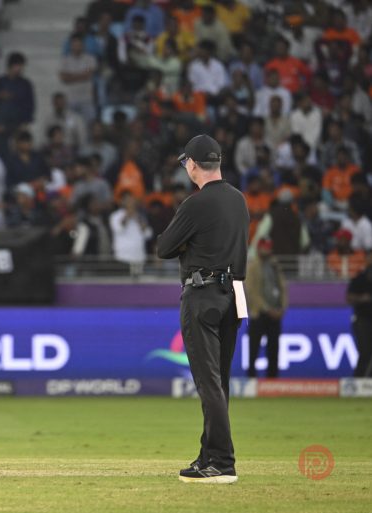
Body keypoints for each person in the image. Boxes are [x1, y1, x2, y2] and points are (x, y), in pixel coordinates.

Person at [156, 134, 249, 484]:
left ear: (193, 164)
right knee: (220, 382)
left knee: (208, 383)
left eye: (186, 163)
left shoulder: (195, 204)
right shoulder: (238, 200)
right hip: (233, 294)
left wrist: (187, 246)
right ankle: (208, 455)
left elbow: (164, 247)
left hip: (202, 294)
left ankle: (222, 461)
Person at [245, 239, 287, 378]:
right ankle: (251, 378)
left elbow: (283, 287)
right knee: (254, 348)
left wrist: (282, 308)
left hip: (275, 313)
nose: (266, 251)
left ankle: (272, 378)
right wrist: (267, 308)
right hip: (259, 313)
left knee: (274, 348)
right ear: (258, 249)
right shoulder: (252, 266)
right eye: (264, 248)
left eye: (268, 248)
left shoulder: (275, 266)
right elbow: (251, 291)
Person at [347, 250, 372, 377]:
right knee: (365, 352)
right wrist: (363, 298)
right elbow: (349, 298)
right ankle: (359, 381)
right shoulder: (360, 278)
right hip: (363, 320)